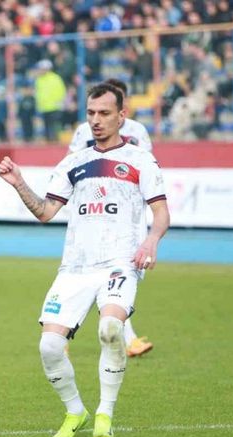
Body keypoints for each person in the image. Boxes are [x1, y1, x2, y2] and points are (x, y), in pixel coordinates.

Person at [0, 83, 169, 437]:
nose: (96, 120)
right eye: (91, 113)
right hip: (75, 267)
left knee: (109, 328)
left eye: (104, 113)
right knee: (49, 347)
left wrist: (151, 240)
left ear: (122, 116)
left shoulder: (140, 160)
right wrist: (18, 183)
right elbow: (45, 212)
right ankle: (75, 410)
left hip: (120, 262)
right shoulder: (74, 162)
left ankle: (105, 413)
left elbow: (161, 211)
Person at [66, 80, 156, 358]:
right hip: (92, 215)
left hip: (126, 216)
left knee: (117, 275)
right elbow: (70, 164)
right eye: (94, 111)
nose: (99, 119)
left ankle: (120, 336)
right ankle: (64, 332)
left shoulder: (137, 131)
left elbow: (147, 165)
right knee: (102, 276)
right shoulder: (84, 132)